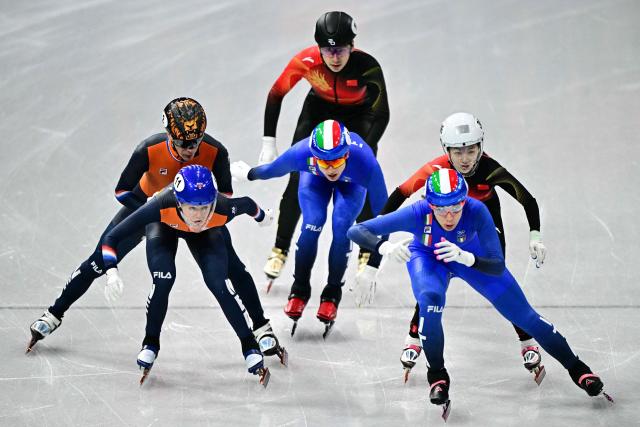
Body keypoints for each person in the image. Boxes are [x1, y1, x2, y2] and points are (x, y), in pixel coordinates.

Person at [28, 98, 281, 359]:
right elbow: (122, 190)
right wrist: (147, 207)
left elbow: (225, 196)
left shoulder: (216, 151)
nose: (190, 149)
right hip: (152, 209)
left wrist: (201, 213)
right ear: (170, 135)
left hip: (197, 213)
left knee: (233, 269)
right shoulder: (149, 149)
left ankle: (262, 327)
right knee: (98, 260)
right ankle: (54, 313)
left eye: (196, 142)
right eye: (183, 143)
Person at [347, 168, 610, 416]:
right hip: (429, 258)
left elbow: (496, 266)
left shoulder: (478, 210)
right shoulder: (417, 212)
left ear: (464, 201)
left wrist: (467, 258)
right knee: (430, 301)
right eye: (441, 209)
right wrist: (384, 249)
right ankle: (437, 375)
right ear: (430, 205)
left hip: (471, 256)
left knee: (526, 317)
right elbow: (356, 230)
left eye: (455, 207)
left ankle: (578, 369)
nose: (449, 217)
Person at [366, 112, 547, 381]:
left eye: (471, 151)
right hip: (446, 223)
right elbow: (400, 194)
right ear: (446, 150)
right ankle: (414, 335)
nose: (465, 159)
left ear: (480, 148)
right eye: (457, 152)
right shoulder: (436, 168)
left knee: (499, 280)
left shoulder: (489, 168)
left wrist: (535, 236)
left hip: (484, 222)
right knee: (431, 284)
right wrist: (378, 238)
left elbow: (527, 199)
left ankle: (526, 339)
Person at [101, 165, 275, 384]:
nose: (199, 215)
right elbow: (111, 238)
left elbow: (249, 204)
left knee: (218, 283)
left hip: (205, 235)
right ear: (179, 202)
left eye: (204, 207)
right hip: (164, 226)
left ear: (213, 200)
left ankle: (249, 345)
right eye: (192, 208)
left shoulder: (222, 208)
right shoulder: (159, 205)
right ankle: (150, 342)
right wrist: (111, 272)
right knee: (163, 278)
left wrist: (263, 218)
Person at [257, 11, 390, 287]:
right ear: (319, 48)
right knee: (296, 178)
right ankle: (280, 247)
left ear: (352, 46)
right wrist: (268, 141)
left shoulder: (367, 67)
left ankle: (366, 249)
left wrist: (365, 146)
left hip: (358, 119)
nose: (335, 57)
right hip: (318, 111)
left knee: (361, 179)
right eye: (328, 50)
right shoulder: (306, 61)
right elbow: (276, 93)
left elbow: (382, 113)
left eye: (340, 50)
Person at [233, 119, 388, 336]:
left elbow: (385, 214)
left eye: (336, 161)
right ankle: (300, 289)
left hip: (352, 184)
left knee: (342, 226)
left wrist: (373, 264)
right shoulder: (302, 152)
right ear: (314, 157)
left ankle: (332, 292)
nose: (331, 168)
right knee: (312, 223)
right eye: (324, 162)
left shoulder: (365, 162)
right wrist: (249, 173)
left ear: (347, 154)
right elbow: (273, 169)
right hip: (315, 181)